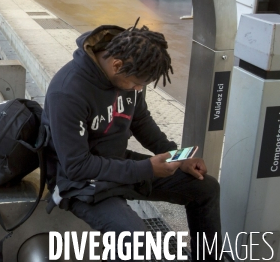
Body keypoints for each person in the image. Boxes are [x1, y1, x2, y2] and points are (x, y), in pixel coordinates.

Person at [42, 22, 222, 261]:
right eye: (137, 83)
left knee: (206, 188)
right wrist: (146, 169)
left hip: (116, 162)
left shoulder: (128, 71)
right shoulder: (67, 92)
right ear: (117, 65)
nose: (139, 88)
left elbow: (140, 121)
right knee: (137, 242)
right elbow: (76, 166)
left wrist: (178, 156)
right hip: (78, 183)